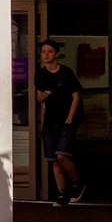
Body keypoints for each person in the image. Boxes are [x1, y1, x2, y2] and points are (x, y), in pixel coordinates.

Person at [35, 38, 85, 205]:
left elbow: (76, 95)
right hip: (50, 121)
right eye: (43, 52)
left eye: (49, 51)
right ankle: (62, 194)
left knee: (62, 155)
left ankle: (78, 183)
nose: (46, 54)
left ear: (56, 54)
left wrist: (70, 118)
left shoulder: (66, 72)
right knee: (53, 160)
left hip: (66, 120)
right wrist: (46, 95)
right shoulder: (40, 74)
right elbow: (39, 97)